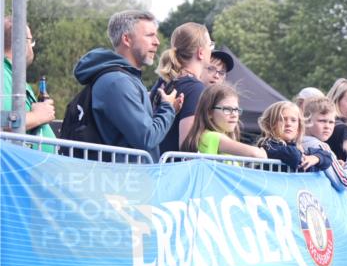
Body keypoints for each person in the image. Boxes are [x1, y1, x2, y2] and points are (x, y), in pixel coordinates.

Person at [72, 10, 182, 160]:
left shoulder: (124, 78)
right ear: (127, 39)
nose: (157, 42)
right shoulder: (118, 82)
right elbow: (147, 138)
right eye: (149, 35)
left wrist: (166, 110)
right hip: (122, 174)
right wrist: (167, 108)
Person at [151, 22, 213, 156]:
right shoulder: (195, 88)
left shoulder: (164, 82)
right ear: (200, 53)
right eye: (210, 45)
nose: (212, 50)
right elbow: (187, 146)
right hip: (174, 168)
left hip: (155, 164)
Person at [2, 17, 56, 151]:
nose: (32, 48)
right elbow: (3, 122)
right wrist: (38, 116)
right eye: (31, 42)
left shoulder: (12, 75)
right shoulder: (2, 73)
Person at [180, 83, 265, 159]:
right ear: (209, 112)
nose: (234, 114)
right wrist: (264, 151)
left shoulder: (213, 136)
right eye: (227, 109)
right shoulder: (212, 136)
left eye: (236, 109)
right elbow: (255, 154)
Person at [256, 100, 332, 173]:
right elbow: (294, 156)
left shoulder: (297, 146)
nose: (288, 124)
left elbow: (327, 157)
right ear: (270, 124)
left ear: (299, 127)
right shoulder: (269, 145)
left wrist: (315, 158)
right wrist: (305, 156)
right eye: (282, 119)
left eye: (293, 120)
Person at [301, 96, 347, 190]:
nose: (327, 126)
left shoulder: (298, 141)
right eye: (322, 121)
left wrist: (336, 165)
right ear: (307, 121)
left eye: (331, 122)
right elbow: (344, 182)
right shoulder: (320, 146)